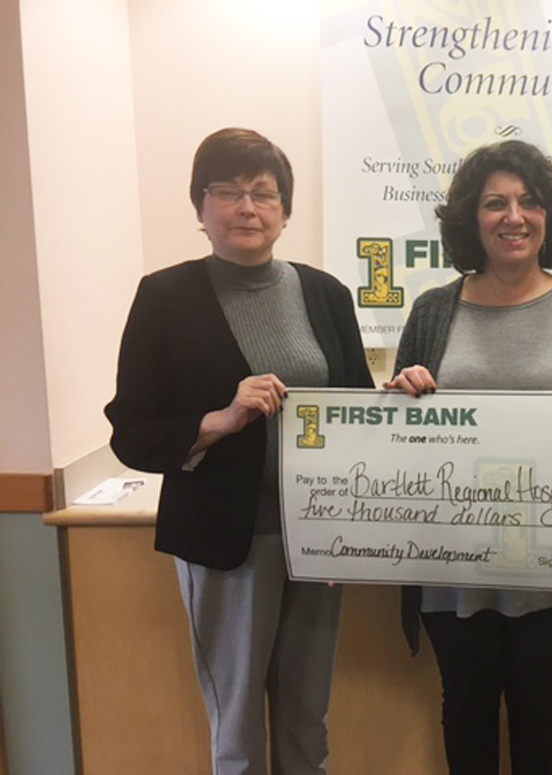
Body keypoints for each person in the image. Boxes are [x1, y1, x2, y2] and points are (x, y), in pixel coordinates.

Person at [105, 128, 373, 775]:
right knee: (238, 724)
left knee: (308, 716)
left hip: (317, 539)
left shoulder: (324, 293)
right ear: (200, 208)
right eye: (226, 191)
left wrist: (399, 399)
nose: (246, 206)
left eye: (263, 193)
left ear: (284, 210)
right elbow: (131, 430)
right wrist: (218, 420)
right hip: (228, 541)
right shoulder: (165, 296)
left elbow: (357, 405)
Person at [384, 139, 552, 775]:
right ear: (471, 219)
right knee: (463, 709)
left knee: (539, 711)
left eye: (529, 202)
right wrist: (401, 400)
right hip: (453, 568)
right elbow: (398, 441)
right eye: (495, 203)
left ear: (549, 218)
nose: (513, 216)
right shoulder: (433, 312)